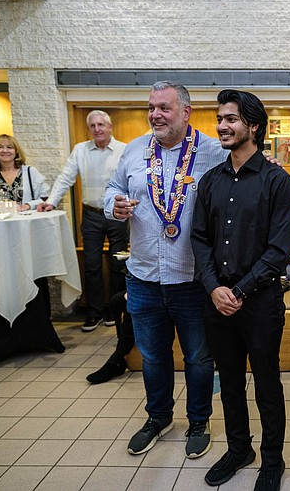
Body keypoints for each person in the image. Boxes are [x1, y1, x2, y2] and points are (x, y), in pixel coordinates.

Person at [105, 81, 226, 458]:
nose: (155, 114)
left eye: (164, 108)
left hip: (192, 279)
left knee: (199, 358)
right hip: (143, 276)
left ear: (186, 112)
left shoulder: (212, 152)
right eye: (151, 107)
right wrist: (115, 205)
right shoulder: (135, 149)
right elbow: (111, 187)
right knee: (153, 356)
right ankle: (158, 418)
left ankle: (199, 421)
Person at [192, 89, 290, 491]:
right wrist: (215, 288)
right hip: (216, 300)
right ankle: (240, 449)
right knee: (230, 381)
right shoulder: (210, 181)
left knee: (267, 383)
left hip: (261, 301)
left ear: (253, 125)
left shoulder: (277, 181)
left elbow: (280, 249)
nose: (222, 126)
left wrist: (240, 290)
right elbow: (199, 239)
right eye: (220, 119)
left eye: (231, 119)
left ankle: (272, 458)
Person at [39, 110, 128, 332]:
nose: (97, 129)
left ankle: (115, 310)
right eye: (93, 126)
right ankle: (95, 312)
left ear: (110, 127)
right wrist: (51, 201)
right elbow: (65, 177)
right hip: (91, 215)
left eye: (101, 125)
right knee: (91, 265)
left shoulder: (124, 150)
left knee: (119, 264)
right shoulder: (80, 150)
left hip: (117, 214)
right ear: (89, 129)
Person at [0, 134, 50, 211]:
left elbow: (46, 198)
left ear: (16, 151)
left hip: (27, 221)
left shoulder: (31, 172)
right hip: (0, 222)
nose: (5, 150)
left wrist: (28, 205)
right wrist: (1, 208)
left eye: (10, 147)